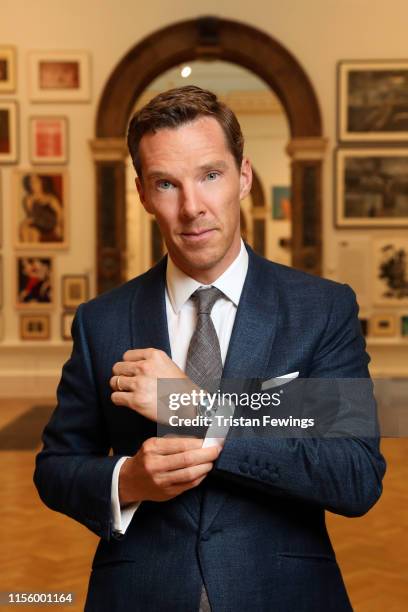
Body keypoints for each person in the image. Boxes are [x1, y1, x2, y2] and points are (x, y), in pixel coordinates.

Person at [34, 86, 386, 612]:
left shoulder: (322, 310)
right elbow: (55, 468)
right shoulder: (100, 321)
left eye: (210, 175)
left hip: (284, 592)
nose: (192, 207)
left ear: (243, 177)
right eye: (167, 184)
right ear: (143, 194)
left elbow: (355, 475)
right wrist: (127, 479)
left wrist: (192, 408)